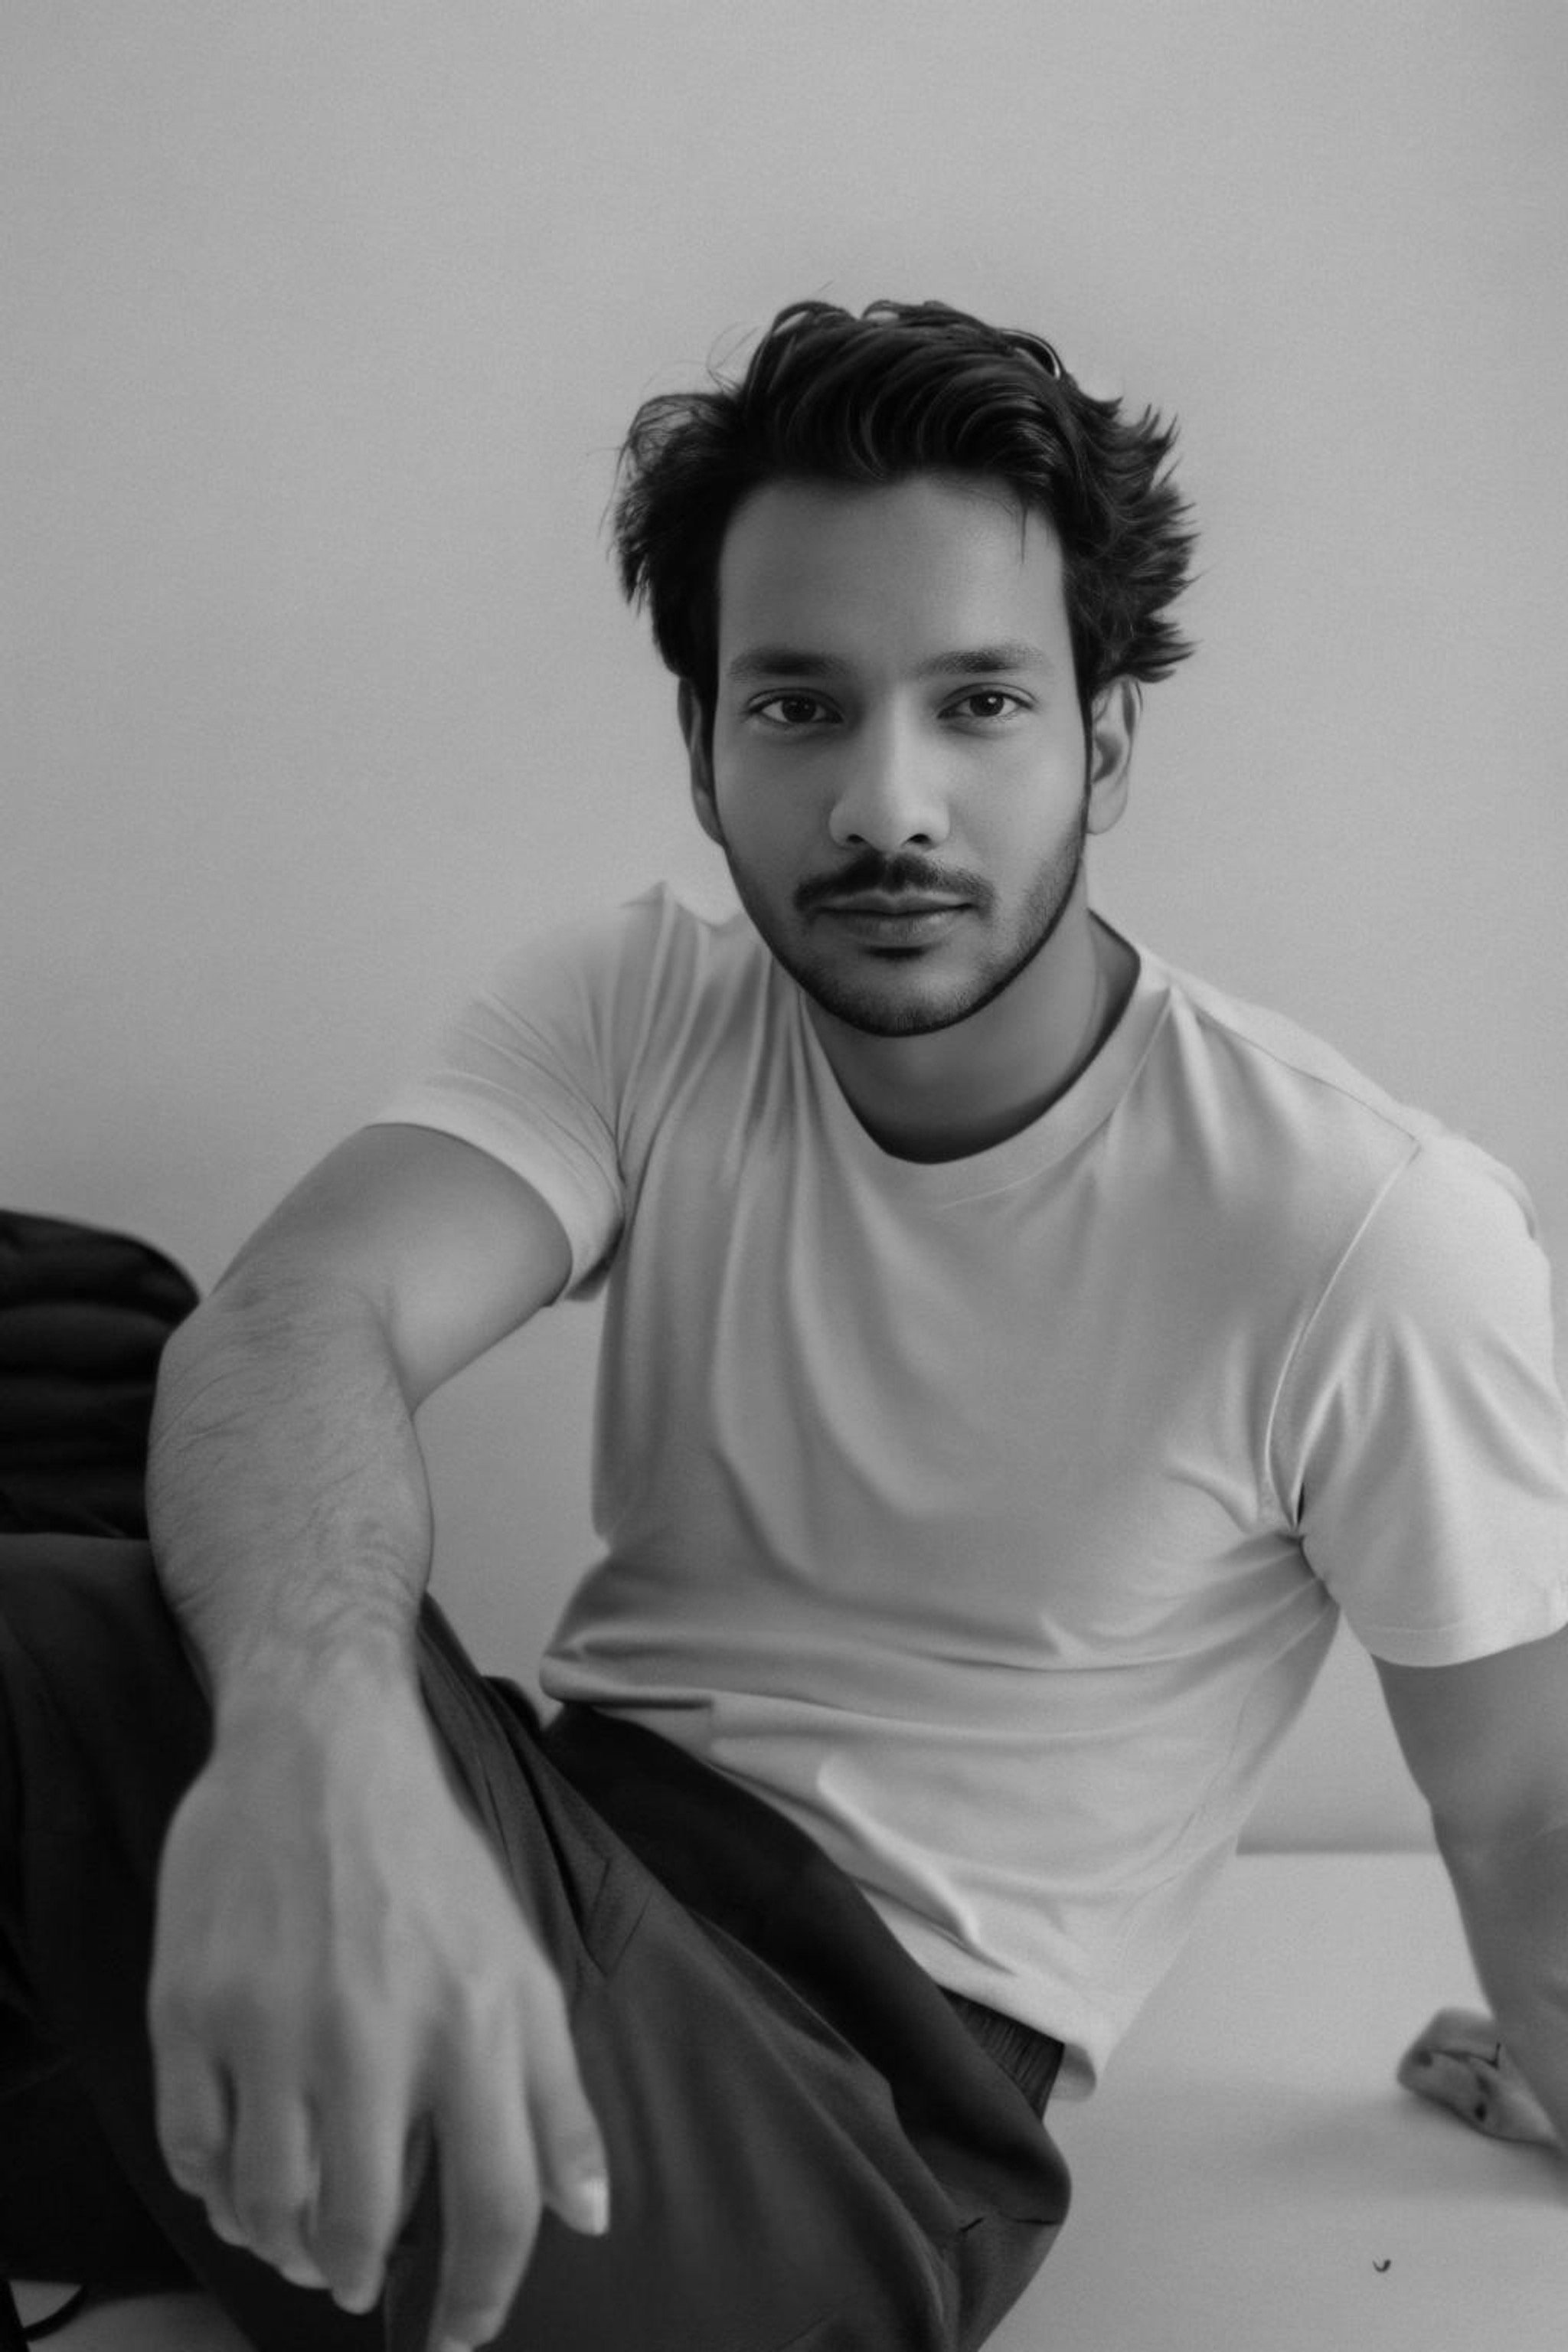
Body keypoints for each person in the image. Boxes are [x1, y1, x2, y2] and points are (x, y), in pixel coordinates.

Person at [3, 297, 1567, 2352]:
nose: (886, 806)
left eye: (979, 703)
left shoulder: (1367, 1224)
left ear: (1104, 740)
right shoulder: (645, 1005)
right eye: (802, 706)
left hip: (841, 2124)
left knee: (67, 1634)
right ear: (704, 747)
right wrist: (327, 1745)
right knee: (69, 1359)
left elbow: (1523, 1805)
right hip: (550, 1865)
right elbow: (305, 1313)